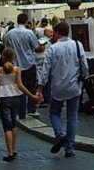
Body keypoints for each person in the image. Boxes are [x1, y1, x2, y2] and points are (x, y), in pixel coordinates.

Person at [37, 20, 90, 159]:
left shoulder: (53, 49)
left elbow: (45, 71)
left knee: (54, 113)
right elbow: (84, 65)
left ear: (58, 33)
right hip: (74, 85)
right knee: (72, 116)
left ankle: (60, 134)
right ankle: (69, 148)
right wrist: (85, 76)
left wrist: (40, 89)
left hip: (57, 86)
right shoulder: (77, 45)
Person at [0, 47, 40, 161]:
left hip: (4, 99)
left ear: (2, 57)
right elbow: (20, 86)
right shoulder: (17, 69)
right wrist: (32, 96)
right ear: (14, 57)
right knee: (13, 123)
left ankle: (9, 152)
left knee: (7, 126)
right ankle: (14, 148)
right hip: (16, 98)